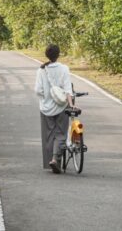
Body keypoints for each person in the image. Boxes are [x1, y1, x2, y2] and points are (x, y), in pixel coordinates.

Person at [34, 44, 76, 173]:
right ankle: (55, 158)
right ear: (58, 55)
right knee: (61, 133)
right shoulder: (64, 69)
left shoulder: (41, 70)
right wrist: (71, 104)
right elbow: (68, 89)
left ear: (47, 55)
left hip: (46, 108)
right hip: (61, 107)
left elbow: (38, 90)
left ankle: (50, 161)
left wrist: (45, 99)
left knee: (48, 135)